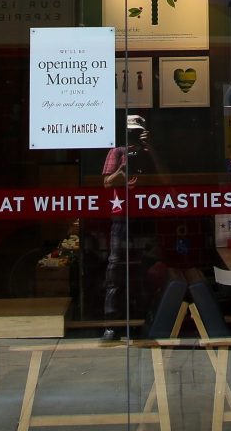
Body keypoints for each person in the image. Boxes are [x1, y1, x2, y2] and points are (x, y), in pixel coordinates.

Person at [96, 113, 161, 341]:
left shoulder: (147, 152)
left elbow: (162, 178)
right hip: (121, 215)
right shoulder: (117, 152)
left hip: (144, 215)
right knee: (116, 269)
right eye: (130, 133)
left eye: (137, 132)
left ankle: (140, 320)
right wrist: (123, 167)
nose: (132, 137)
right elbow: (106, 183)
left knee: (143, 267)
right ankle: (112, 324)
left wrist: (149, 149)